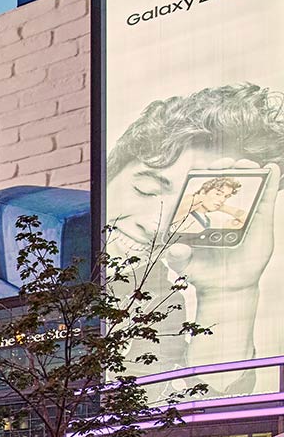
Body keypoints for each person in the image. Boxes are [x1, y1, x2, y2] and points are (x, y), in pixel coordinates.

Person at [107, 84, 284, 384]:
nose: (158, 225)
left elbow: (203, 409)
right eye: (146, 189)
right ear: (110, 173)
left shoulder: (158, 303)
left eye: (185, 210)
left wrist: (228, 293)